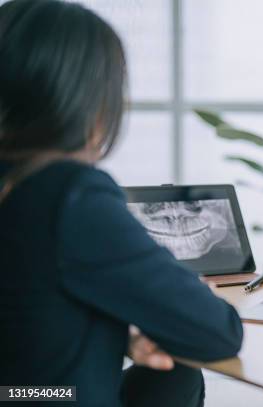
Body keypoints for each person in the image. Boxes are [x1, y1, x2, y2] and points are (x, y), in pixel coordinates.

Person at [0, 1, 242, 406]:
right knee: (180, 364)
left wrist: (123, 336)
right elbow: (219, 331)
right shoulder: (70, 194)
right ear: (85, 98)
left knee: (172, 371)